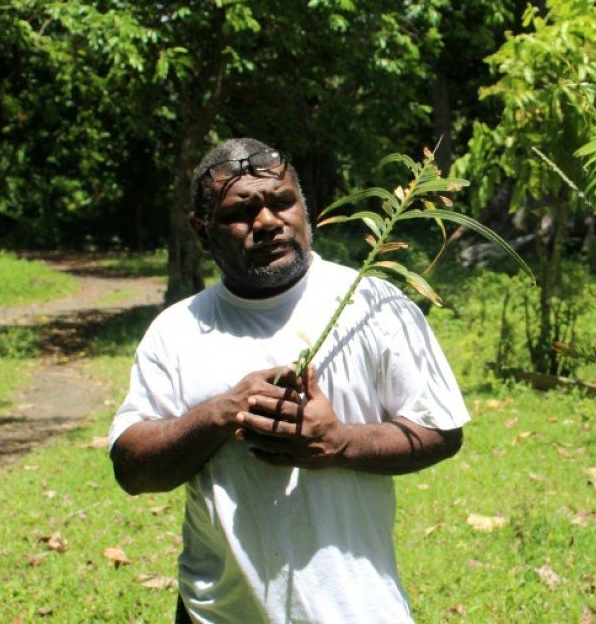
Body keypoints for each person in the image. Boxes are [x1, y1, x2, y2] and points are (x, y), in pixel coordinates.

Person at [108, 138, 469, 623]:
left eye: (282, 202)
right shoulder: (176, 331)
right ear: (202, 231)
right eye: (241, 212)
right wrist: (221, 413)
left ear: (304, 205)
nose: (267, 223)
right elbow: (132, 470)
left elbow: (442, 431)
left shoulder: (374, 304)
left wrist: (340, 442)